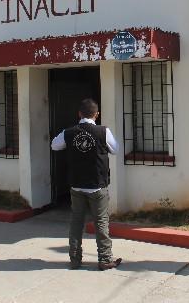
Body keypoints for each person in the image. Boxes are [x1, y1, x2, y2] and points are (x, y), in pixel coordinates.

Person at [51, 98, 122, 271]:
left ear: (79, 114)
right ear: (96, 114)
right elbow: (116, 149)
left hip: (76, 185)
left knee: (76, 223)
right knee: (101, 222)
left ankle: (75, 260)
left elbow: (54, 145)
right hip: (97, 185)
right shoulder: (103, 131)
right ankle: (105, 259)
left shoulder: (69, 132)